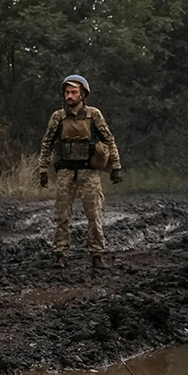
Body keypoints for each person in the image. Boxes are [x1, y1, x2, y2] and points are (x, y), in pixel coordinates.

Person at [37, 74, 122, 269]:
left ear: (82, 94)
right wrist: (43, 169)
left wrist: (115, 166)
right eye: (67, 92)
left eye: (74, 92)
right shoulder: (58, 117)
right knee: (62, 215)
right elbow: (47, 143)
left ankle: (97, 253)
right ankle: (60, 253)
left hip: (88, 172)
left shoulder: (94, 115)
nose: (69, 96)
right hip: (65, 172)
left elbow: (109, 140)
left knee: (94, 214)